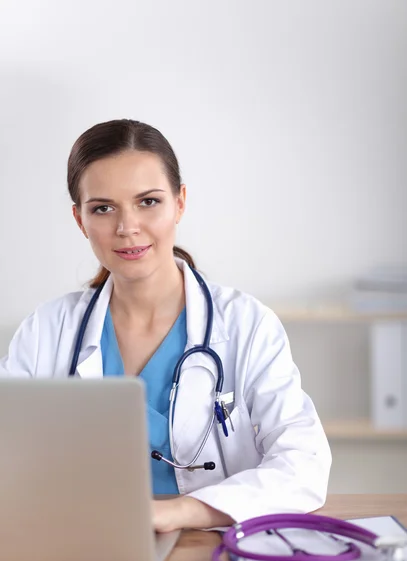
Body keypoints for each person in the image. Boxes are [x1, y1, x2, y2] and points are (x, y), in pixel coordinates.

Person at [0, 119, 331, 533]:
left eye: (148, 202)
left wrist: (173, 515)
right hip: (85, 545)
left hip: (213, 549)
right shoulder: (47, 331)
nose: (127, 227)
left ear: (180, 202)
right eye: (103, 208)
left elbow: (304, 464)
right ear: (80, 220)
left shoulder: (247, 325)